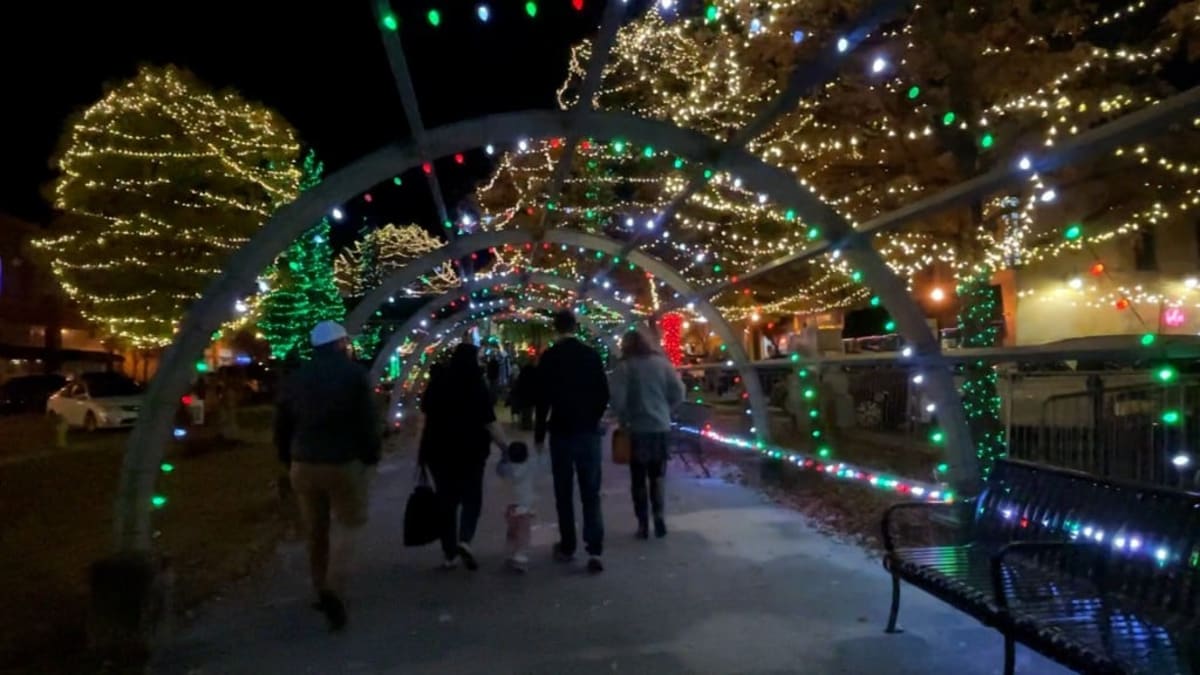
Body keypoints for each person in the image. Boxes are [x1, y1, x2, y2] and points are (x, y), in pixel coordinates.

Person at [274, 321, 380, 631]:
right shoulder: (354, 375)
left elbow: (282, 422)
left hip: (303, 462)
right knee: (350, 523)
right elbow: (367, 421)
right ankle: (335, 587)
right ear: (340, 343)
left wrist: (286, 455)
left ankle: (320, 588)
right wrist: (371, 455)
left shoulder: (297, 378)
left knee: (315, 530)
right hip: (343, 461)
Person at [420, 343, 509, 571]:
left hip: (438, 451)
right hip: (471, 451)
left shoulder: (439, 380)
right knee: (472, 497)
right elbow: (489, 421)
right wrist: (505, 447)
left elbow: (425, 408)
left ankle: (449, 553)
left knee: (446, 501)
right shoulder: (476, 384)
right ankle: (465, 540)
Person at [535, 311, 610, 573]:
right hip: (587, 431)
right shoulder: (590, 355)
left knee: (563, 491)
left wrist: (539, 434)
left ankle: (568, 545)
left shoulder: (550, 357)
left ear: (556, 328)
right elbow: (603, 392)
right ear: (575, 327)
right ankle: (595, 550)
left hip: (561, 431)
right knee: (591, 492)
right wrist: (593, 416)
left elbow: (542, 398)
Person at [609, 329, 685, 539]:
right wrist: (666, 409)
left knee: (638, 479)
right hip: (660, 426)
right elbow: (679, 392)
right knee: (657, 475)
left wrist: (623, 417)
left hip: (637, 428)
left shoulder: (625, 367)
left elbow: (618, 400)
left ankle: (643, 524)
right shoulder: (662, 364)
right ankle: (659, 516)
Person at [497, 441, 536, 572]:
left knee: (512, 530)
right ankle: (519, 555)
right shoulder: (529, 466)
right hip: (524, 507)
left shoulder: (506, 469)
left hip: (510, 507)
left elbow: (499, 469)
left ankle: (510, 551)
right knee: (523, 532)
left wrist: (503, 458)